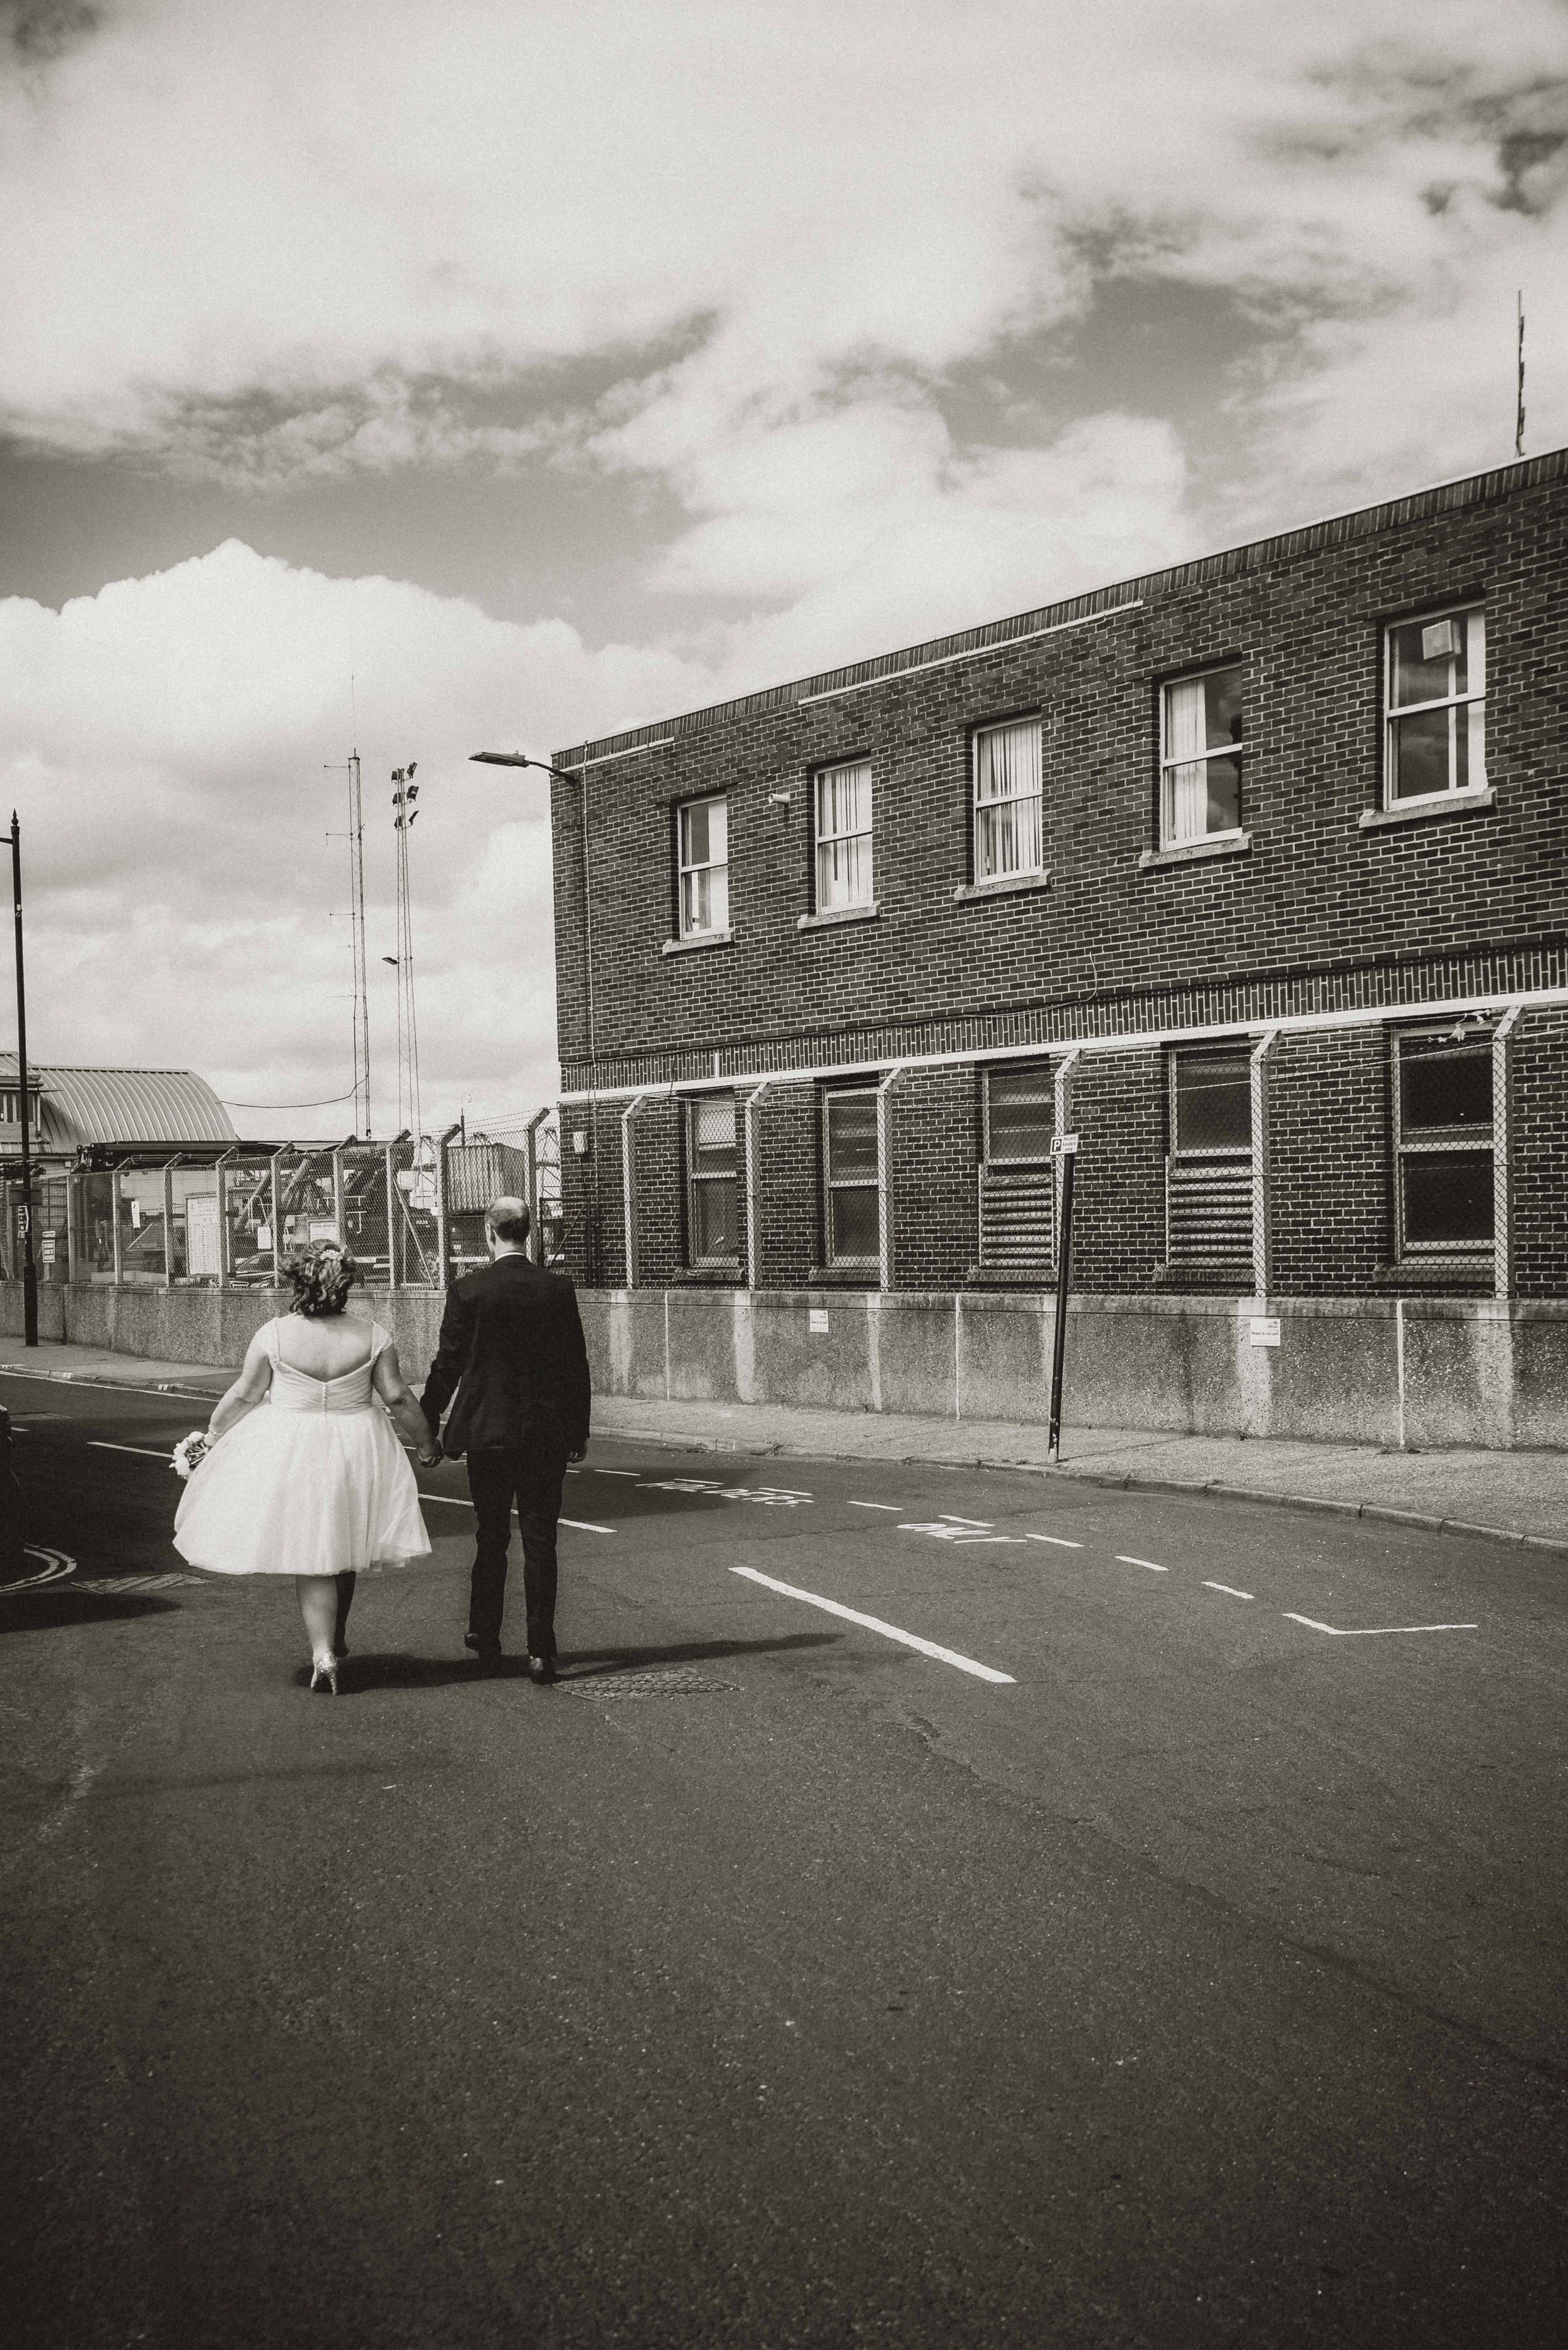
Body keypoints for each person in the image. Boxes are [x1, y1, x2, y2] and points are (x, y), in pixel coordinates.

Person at [172, 1244, 442, 1693]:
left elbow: (244, 1395)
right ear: (346, 1284)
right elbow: (397, 1397)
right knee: (346, 1539)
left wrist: (213, 1438)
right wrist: (427, 1445)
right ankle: (335, 1637)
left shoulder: (274, 1335)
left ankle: (323, 1651)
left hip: (292, 1446)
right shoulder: (372, 1336)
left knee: (312, 1550)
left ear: (297, 1282)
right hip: (357, 1444)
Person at [420, 1196, 591, 1678]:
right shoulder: (557, 1289)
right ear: (529, 1231)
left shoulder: (469, 1290)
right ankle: (541, 1649)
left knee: (491, 1535)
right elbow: (574, 1365)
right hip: (544, 1433)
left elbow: (448, 1362)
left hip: (488, 1433)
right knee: (540, 1540)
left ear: (489, 1234)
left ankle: (486, 1632)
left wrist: (428, 1422)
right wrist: (578, 1429)